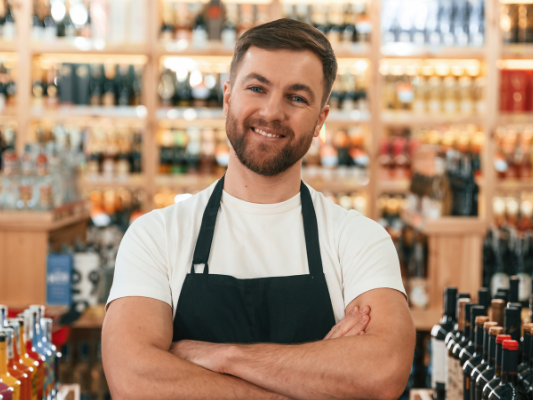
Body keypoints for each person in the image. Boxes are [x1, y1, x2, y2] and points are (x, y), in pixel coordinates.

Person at [102, 18, 416, 400]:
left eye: (297, 97)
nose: (272, 112)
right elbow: (133, 381)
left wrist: (222, 356)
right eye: (257, 88)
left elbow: (383, 371)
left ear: (320, 120)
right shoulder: (156, 235)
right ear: (227, 98)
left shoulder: (359, 239)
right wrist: (316, 378)